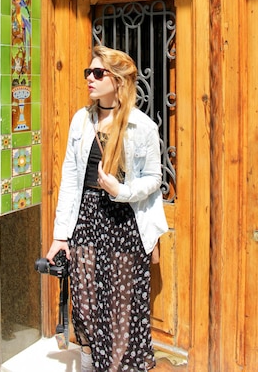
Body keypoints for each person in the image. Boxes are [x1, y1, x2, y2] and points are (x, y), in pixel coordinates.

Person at [46, 45, 168, 372]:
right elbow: (71, 178)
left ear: (118, 81)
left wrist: (123, 190)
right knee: (85, 306)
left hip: (124, 224)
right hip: (86, 219)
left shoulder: (141, 126)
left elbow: (155, 178)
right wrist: (60, 236)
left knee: (119, 310)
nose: (90, 78)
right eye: (88, 72)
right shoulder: (80, 121)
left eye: (98, 73)